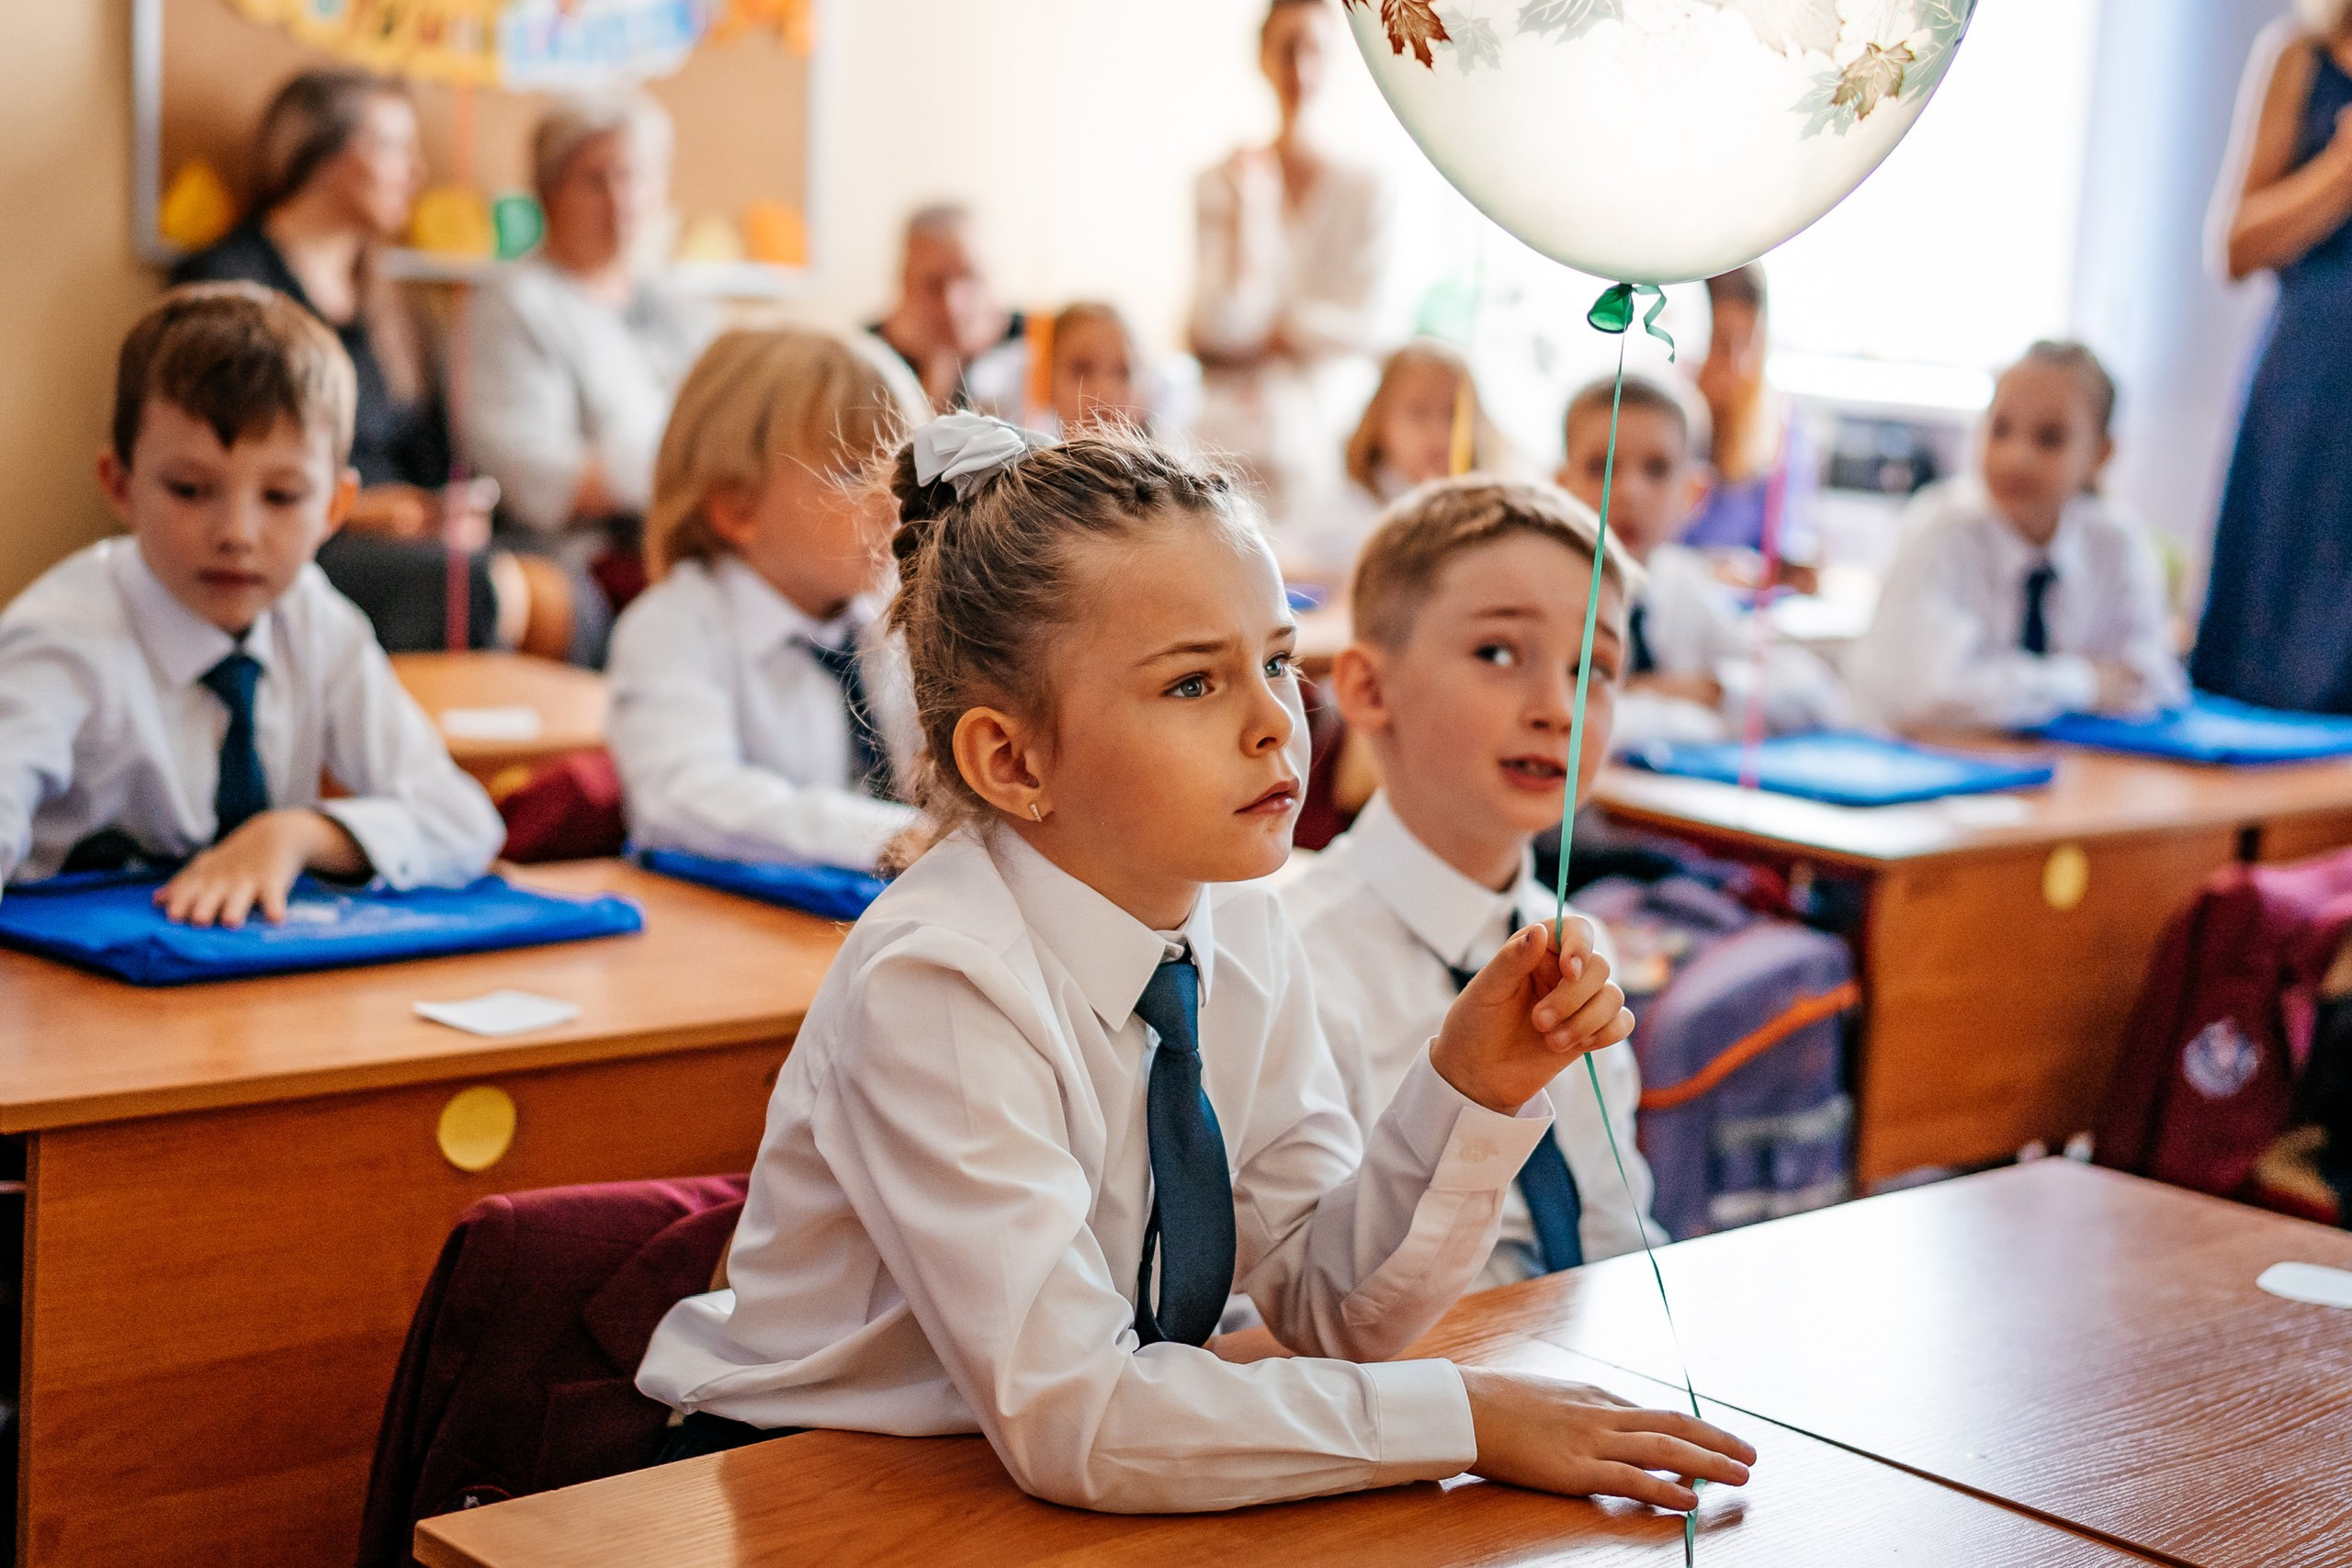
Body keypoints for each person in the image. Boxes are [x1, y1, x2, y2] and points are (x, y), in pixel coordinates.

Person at [635, 415, 1756, 1514]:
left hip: (1049, 1472)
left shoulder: (1244, 924)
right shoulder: (938, 980)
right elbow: (1079, 1418)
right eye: (1193, 684)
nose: (1276, 723)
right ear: (1011, 758)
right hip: (811, 1483)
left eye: (1275, 660)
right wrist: (1460, 1418)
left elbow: (1331, 1308)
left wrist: (1468, 1091)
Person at [0, 284, 502, 920]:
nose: (236, 533)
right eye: (189, 489)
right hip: (63, 994)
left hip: (242, 988)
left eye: (283, 496)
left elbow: (461, 820)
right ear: (120, 487)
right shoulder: (62, 635)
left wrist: (294, 836)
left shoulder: (318, 622)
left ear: (334, 508)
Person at [1282, 479, 1663, 1285]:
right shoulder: (1292, 968)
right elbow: (1295, 1306)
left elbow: (1613, 1233)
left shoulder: (1573, 953)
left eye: (1592, 668)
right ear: (1368, 689)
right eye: (1498, 654)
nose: (1557, 707)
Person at [173, 69, 541, 656]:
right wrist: (365, 512)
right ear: (322, 155)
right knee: (481, 591)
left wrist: (448, 510)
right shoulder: (226, 286)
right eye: (394, 147)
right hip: (298, 543)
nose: (415, 173)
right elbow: (218, 468)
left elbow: (431, 451)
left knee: (558, 580)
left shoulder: (391, 303)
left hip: (405, 538)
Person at [605, 327, 930, 874]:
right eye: (854, 474)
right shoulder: (675, 626)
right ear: (737, 509)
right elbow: (682, 797)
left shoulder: (896, 618)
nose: (892, 503)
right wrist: (888, 835)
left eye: (901, 472)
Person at [462, 92, 713, 644]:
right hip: (581, 557)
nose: (620, 199)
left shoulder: (680, 309)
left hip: (690, 538)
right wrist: (694, 469)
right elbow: (534, 478)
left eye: (635, 177)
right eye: (595, 179)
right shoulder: (514, 305)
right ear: (549, 194)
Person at [1849, 343, 2184, 734]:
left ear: (2101, 453)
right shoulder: (1940, 531)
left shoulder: (2117, 542)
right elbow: (1935, 695)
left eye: (2050, 438)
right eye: (2000, 429)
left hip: (2059, 769)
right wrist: (2084, 683)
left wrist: (2012, 691)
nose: (2016, 457)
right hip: (1908, 757)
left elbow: (2152, 684)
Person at [2191, 0, 2352, 712]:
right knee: (2272, 639)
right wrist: (2341, 174)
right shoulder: (2300, 55)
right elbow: (2233, 245)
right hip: (2314, 384)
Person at [1555, 378, 1848, 749]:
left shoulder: (1680, 584)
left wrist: (1709, 690)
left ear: (1693, 492)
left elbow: (1817, 697)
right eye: (1601, 467)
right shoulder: (1544, 597)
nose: (1629, 491)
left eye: (1657, 469)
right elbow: (1580, 728)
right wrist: (1693, 715)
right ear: (1560, 486)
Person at [1190, 0, 1394, 522]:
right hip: (1231, 434)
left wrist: (1274, 336)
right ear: (1262, 57)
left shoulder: (1366, 190)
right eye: (1287, 49)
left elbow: (1369, 328)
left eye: (1315, 50)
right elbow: (1214, 325)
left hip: (1330, 434)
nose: (1300, 68)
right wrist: (1252, 216)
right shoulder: (1224, 180)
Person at [1282, 340, 1506, 586]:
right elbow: (1283, 566)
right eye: (1418, 413)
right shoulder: (1339, 511)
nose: (1439, 434)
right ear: (1379, 423)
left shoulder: (1486, 519)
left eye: (1453, 415)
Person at [869, 204, 1023, 412]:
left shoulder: (1038, 340)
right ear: (904, 283)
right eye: (933, 284)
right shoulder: (865, 355)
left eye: (969, 276)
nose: (953, 305)